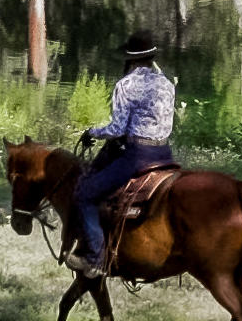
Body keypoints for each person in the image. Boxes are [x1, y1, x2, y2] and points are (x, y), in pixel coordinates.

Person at [69, 29, 178, 276]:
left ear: (130, 58)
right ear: (151, 57)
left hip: (137, 156)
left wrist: (92, 132)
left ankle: (96, 259)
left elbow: (117, 128)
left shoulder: (125, 85)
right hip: (164, 155)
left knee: (85, 194)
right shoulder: (166, 83)